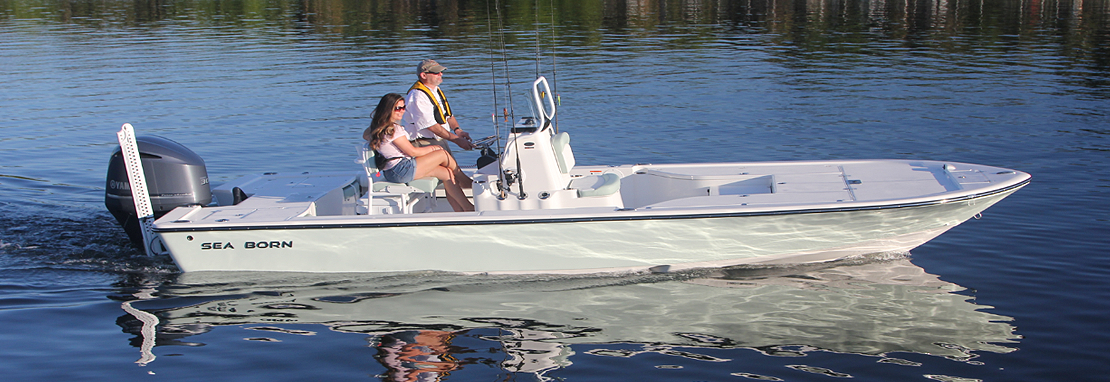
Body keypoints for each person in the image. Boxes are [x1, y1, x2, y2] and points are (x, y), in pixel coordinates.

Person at [364, 93, 474, 212]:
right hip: (402, 169)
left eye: (403, 107)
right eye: (398, 108)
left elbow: (366, 135)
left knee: (446, 173)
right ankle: (465, 182)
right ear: (387, 109)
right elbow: (412, 152)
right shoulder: (393, 130)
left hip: (393, 171)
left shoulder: (378, 128)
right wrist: (433, 148)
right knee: (442, 154)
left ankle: (463, 210)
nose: (402, 111)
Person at [402, 59, 475, 152]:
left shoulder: (435, 90)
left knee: (453, 166)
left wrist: (458, 131)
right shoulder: (417, 95)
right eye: (436, 72)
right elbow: (431, 126)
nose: (441, 74)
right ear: (423, 75)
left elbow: (448, 115)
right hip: (424, 143)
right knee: (452, 167)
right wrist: (456, 140)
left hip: (439, 140)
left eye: (441, 71)